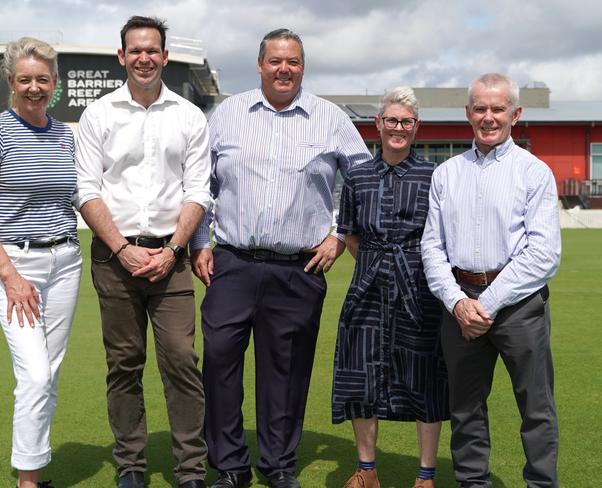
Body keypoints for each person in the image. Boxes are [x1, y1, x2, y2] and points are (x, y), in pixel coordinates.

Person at [190, 28, 372, 488]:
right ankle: (230, 466)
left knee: (285, 373)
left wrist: (340, 234)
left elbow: (364, 182)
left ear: (302, 66)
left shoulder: (329, 118)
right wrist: (200, 242)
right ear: (260, 64)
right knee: (219, 360)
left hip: (299, 269)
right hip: (232, 262)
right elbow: (198, 185)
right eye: (275, 61)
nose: (284, 69)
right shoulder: (226, 115)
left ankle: (277, 465)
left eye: (292, 61)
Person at [75, 16, 210, 488]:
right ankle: (131, 465)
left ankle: (191, 468)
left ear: (165, 57)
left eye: (152, 49)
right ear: (122, 57)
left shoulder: (189, 116)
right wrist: (122, 248)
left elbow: (198, 192)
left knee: (180, 361)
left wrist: (175, 249)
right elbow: (87, 190)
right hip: (115, 262)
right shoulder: (98, 115)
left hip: (170, 261)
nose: (144, 57)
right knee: (124, 365)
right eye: (135, 50)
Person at [421, 73, 561, 488]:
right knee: (465, 409)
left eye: (497, 108)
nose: (488, 117)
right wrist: (459, 302)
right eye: (480, 108)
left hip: (519, 307)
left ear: (515, 114)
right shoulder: (446, 174)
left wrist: (487, 303)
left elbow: (544, 253)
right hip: (460, 304)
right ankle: (472, 483)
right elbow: (432, 248)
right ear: (468, 114)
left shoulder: (534, 173)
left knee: (536, 408)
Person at [0, 37, 82, 488]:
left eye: (43, 79)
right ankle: (27, 482)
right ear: (11, 82)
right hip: (15, 264)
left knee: (47, 374)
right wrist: (10, 276)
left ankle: (31, 471)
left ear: (55, 83)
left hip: (66, 260)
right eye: (24, 79)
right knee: (34, 373)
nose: (34, 87)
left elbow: (75, 196)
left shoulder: (63, 134)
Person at [332, 87, 449, 488]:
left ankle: (426, 475)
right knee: (361, 375)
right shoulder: (358, 176)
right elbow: (349, 234)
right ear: (378, 124)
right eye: (392, 120)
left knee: (425, 377)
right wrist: (375, 266)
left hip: (419, 291)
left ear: (416, 129)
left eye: (406, 122)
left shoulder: (434, 176)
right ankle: (367, 471)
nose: (398, 128)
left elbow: (442, 236)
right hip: (367, 289)